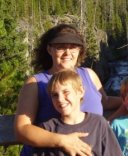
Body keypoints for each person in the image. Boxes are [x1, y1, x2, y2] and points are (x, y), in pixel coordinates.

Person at [14, 24, 121, 156]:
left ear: (79, 50)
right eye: (60, 47)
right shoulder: (35, 83)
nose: (67, 53)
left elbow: (105, 101)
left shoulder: (89, 74)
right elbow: (22, 129)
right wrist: (62, 141)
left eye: (73, 47)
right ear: (49, 49)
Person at [33, 69, 122, 156]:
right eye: (55, 95)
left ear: (80, 91)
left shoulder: (98, 124)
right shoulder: (47, 129)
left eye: (66, 92)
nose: (60, 99)